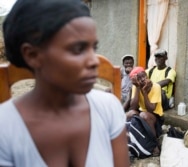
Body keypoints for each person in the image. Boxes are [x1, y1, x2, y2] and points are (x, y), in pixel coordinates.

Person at [0, 0, 129, 167]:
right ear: (32, 55)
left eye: (93, 48)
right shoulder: (5, 128)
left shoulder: (108, 108)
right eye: (78, 49)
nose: (94, 61)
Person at [126, 67, 164, 155]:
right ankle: (129, 139)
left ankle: (154, 144)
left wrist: (145, 92)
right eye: (139, 78)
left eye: (144, 76)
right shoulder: (136, 86)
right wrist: (138, 88)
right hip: (142, 113)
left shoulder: (156, 87)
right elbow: (133, 107)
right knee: (130, 114)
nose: (144, 79)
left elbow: (151, 109)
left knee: (144, 115)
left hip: (156, 117)